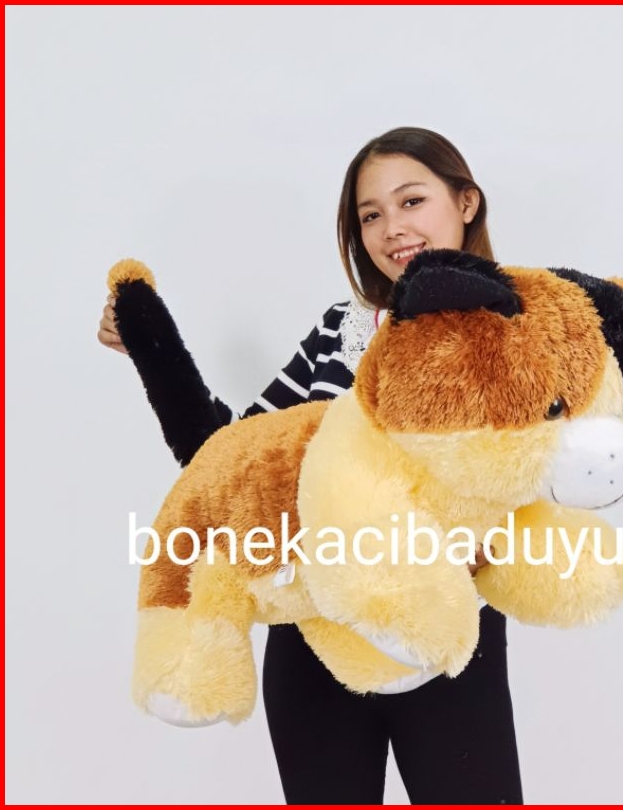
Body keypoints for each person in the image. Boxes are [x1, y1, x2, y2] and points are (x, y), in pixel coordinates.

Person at [98, 126, 524, 805]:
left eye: (412, 201)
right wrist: (152, 348)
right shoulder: (343, 328)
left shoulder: (520, 330)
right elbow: (228, 462)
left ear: (466, 202)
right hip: (312, 645)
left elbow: (548, 470)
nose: (392, 228)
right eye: (371, 215)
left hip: (445, 642)